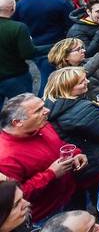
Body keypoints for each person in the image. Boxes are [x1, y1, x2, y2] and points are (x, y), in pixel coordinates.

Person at [0, 94, 87, 223]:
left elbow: (58, 145)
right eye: (39, 110)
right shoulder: (6, 158)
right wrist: (51, 174)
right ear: (18, 122)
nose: (47, 110)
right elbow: (16, 196)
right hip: (47, 214)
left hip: (70, 195)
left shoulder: (41, 125)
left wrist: (75, 154)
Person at [41, 67, 99, 181]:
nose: (87, 82)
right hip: (95, 161)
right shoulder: (81, 108)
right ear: (68, 88)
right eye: (81, 82)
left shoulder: (50, 103)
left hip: (79, 158)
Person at [0, 0, 46, 105]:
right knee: (24, 110)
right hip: (16, 78)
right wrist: (51, 47)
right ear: (13, 8)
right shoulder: (18, 27)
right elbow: (28, 53)